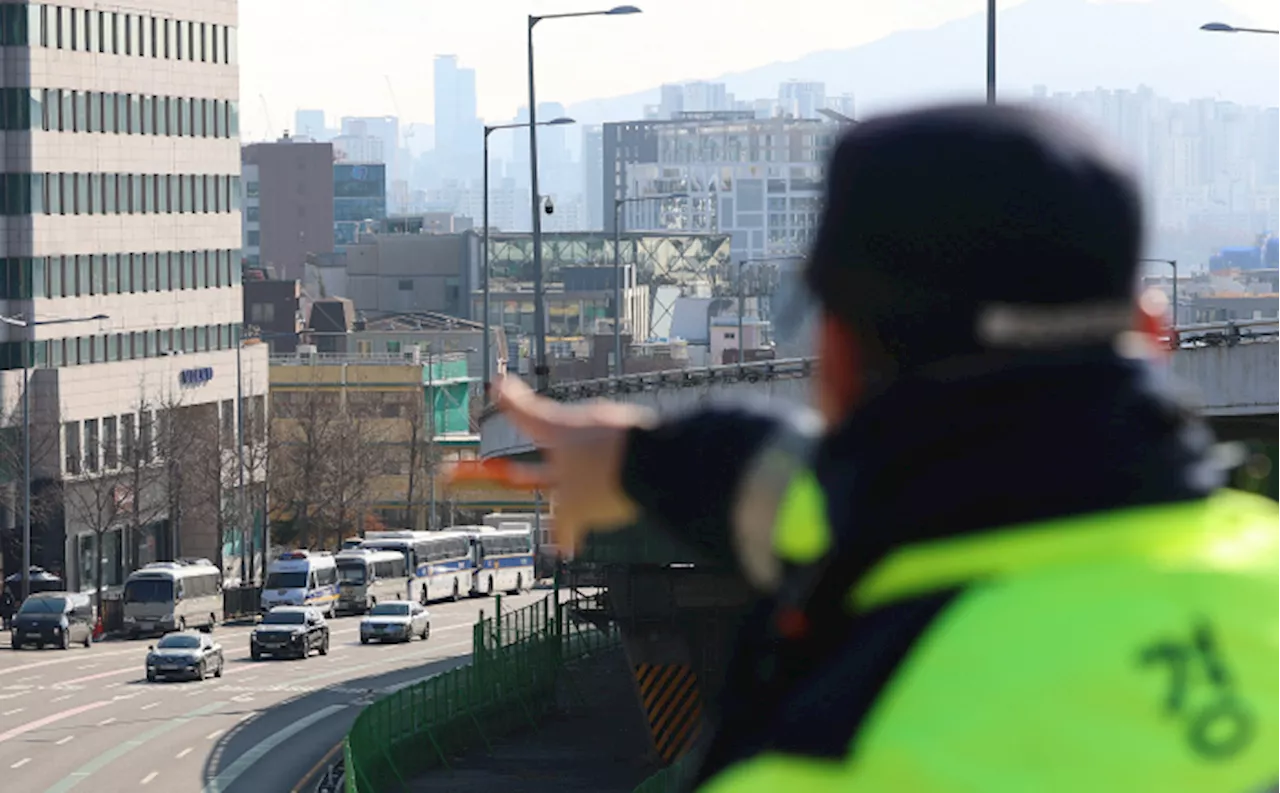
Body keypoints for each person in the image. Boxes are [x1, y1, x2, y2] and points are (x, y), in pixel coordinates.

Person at [489, 102, 1280, 791]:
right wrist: (642, 458)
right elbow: (806, 493)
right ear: (1152, 332)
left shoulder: (823, 763)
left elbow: (860, 498)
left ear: (831, 356)